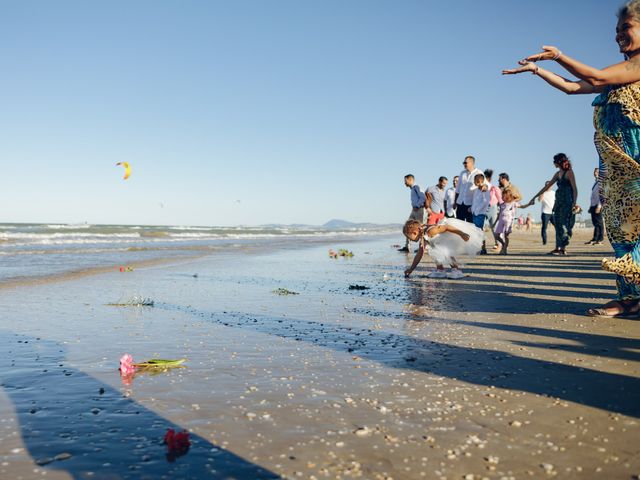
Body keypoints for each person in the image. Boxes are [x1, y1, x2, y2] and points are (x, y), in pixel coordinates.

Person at [502, 4, 640, 317]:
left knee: (637, 233)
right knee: (621, 232)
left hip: (637, 161)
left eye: (626, 27)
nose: (619, 34)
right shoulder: (620, 75)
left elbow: (594, 74)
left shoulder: (636, 67)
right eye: (617, 29)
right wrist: (537, 70)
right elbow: (570, 87)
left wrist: (559, 56)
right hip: (616, 168)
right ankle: (630, 297)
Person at [522, 154, 578, 256]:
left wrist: (574, 203)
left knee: (564, 225)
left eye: (554, 161)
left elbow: (575, 189)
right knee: (557, 223)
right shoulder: (557, 174)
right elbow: (547, 187)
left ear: (559, 162)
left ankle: (563, 248)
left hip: (567, 202)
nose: (553, 163)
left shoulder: (569, 173)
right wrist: (534, 197)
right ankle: (558, 247)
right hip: (558, 202)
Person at [403, 218, 483, 279]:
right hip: (438, 243)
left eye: (409, 237)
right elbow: (419, 255)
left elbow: (446, 227)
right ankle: (440, 270)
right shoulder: (423, 237)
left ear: (414, 233)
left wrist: (461, 233)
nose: (409, 240)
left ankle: (456, 270)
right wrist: (411, 269)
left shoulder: (431, 231)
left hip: (448, 237)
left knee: (445, 253)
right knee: (433, 251)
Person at [494, 186, 529, 255]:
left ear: (508, 197)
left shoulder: (513, 204)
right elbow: (499, 214)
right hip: (501, 222)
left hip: (508, 222)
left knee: (506, 236)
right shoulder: (501, 205)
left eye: (503, 196)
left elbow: (523, 206)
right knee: (496, 235)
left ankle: (504, 249)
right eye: (502, 196)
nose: (502, 197)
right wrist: (495, 222)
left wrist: (529, 204)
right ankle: (503, 244)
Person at [399, 174, 425, 252]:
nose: (404, 183)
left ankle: (422, 246)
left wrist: (417, 205)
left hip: (419, 209)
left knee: (420, 228)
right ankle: (407, 246)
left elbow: (423, 197)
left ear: (410, 179)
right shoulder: (412, 188)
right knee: (408, 226)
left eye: (405, 181)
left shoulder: (417, 187)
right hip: (414, 210)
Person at [455, 156, 482, 222]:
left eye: (465, 162)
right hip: (460, 203)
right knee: (459, 225)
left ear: (472, 163)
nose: (464, 164)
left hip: (471, 204)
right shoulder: (462, 173)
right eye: (463, 163)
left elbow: (483, 188)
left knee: (470, 226)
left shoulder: (479, 173)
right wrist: (455, 201)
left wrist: (475, 205)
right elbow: (458, 189)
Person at [470, 173, 490, 253]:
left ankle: (483, 248)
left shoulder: (485, 190)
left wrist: (477, 210)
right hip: (474, 212)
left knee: (479, 231)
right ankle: (480, 248)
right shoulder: (476, 190)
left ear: (479, 181)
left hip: (480, 213)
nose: (474, 182)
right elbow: (475, 201)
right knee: (476, 231)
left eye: (475, 181)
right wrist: (472, 209)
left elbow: (485, 202)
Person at [484, 169, 502, 251]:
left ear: (489, 179)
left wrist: (503, 209)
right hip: (482, 208)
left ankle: (498, 244)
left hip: (492, 207)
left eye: (486, 178)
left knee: (494, 227)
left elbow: (500, 199)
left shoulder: (494, 188)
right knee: (480, 227)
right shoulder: (480, 188)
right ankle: (482, 247)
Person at [587, 167, 604, 245]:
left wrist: (599, 206)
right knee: (595, 223)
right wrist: (591, 206)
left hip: (598, 205)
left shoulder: (601, 182)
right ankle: (595, 238)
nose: (595, 173)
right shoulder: (596, 182)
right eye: (594, 171)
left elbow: (602, 195)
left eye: (597, 171)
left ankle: (600, 239)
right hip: (593, 205)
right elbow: (593, 195)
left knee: (599, 223)